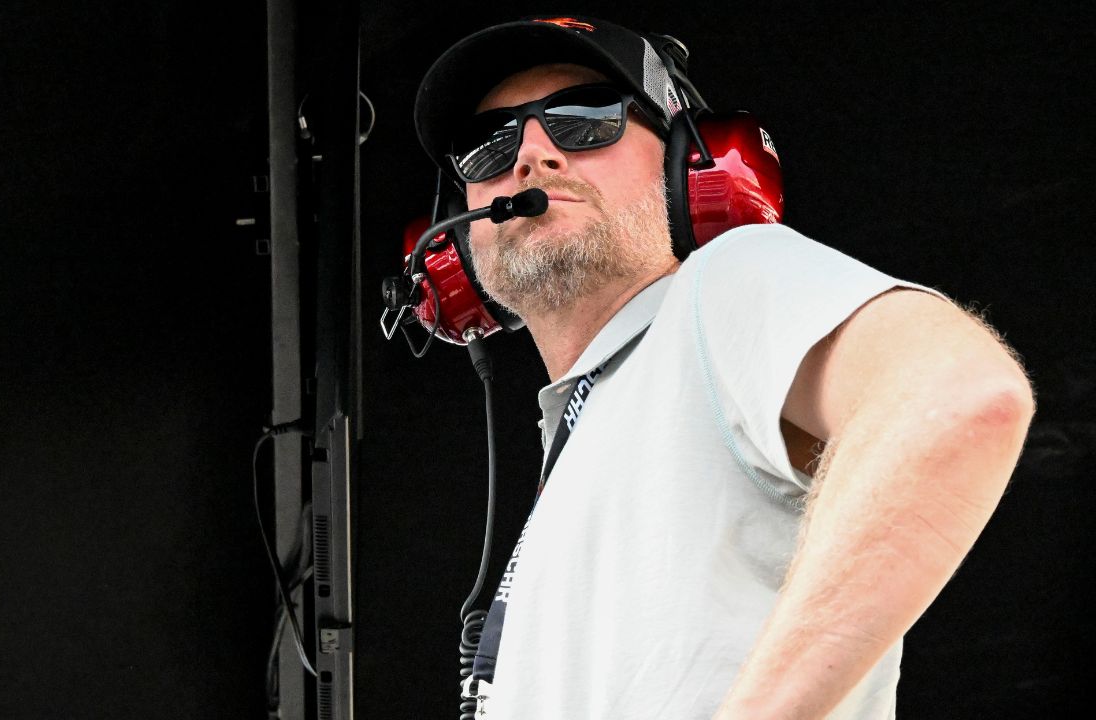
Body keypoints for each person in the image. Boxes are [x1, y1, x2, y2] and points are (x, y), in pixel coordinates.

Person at [411, 14, 1035, 720]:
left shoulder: (724, 284)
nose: (531, 157)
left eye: (586, 120)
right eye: (487, 148)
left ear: (693, 168)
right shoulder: (584, 431)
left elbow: (956, 397)